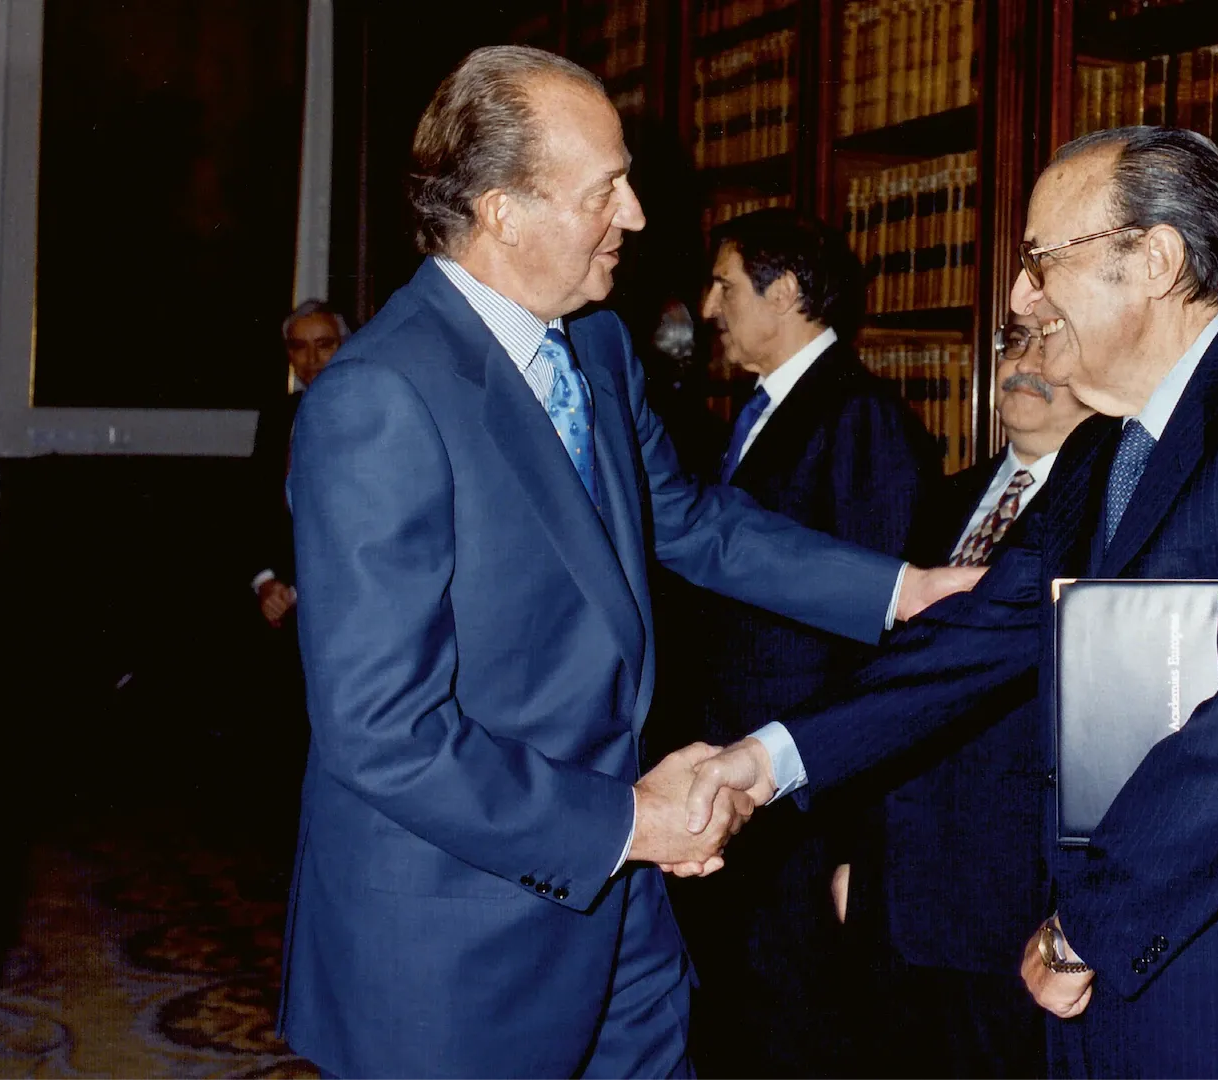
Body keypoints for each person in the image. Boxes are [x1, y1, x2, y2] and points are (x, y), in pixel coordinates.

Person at [278, 46, 976, 1080]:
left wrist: (902, 590)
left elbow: (690, 522)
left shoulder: (595, 347)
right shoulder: (379, 400)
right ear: (502, 212)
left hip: (624, 920)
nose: (638, 216)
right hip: (457, 945)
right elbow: (384, 734)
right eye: (606, 188)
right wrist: (630, 822)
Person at [687, 126, 1218, 1078]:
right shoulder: (1104, 450)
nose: (1020, 297)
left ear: (1153, 260)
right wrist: (766, 760)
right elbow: (975, 636)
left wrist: (1088, 924)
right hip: (1091, 954)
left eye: (1040, 262)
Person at [675, 208, 939, 1078]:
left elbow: (881, 648)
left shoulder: (857, 417)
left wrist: (857, 839)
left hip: (804, 801)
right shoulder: (752, 412)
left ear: (782, 293)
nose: (709, 308)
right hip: (744, 785)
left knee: (799, 1027)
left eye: (725, 284)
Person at [831, 310, 1092, 1079]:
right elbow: (875, 679)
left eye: (1053, 343)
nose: (1024, 361)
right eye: (1016, 341)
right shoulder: (935, 498)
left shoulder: (1108, 516)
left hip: (1011, 904)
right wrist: (854, 854)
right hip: (894, 889)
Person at [246, 299, 350, 628]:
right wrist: (265, 582)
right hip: (279, 598)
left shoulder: (368, 417)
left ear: (347, 347)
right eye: (299, 347)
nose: (312, 360)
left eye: (324, 345)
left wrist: (295, 591)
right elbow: (256, 504)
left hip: (344, 596)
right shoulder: (279, 416)